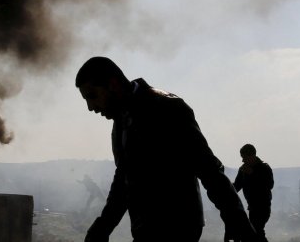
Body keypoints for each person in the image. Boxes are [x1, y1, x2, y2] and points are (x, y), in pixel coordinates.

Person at [75, 56, 257, 242]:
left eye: (92, 96)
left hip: (178, 229)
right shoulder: (120, 123)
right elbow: (124, 179)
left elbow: (210, 172)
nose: (90, 107)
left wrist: (244, 230)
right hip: (146, 231)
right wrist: (103, 227)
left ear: (112, 84)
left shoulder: (167, 108)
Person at [233, 144, 273, 242]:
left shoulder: (264, 168)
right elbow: (237, 186)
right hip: (252, 207)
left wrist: (253, 174)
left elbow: (269, 185)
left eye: (244, 157)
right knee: (255, 234)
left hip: (263, 207)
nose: (243, 160)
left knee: (256, 232)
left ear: (252, 156)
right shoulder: (243, 170)